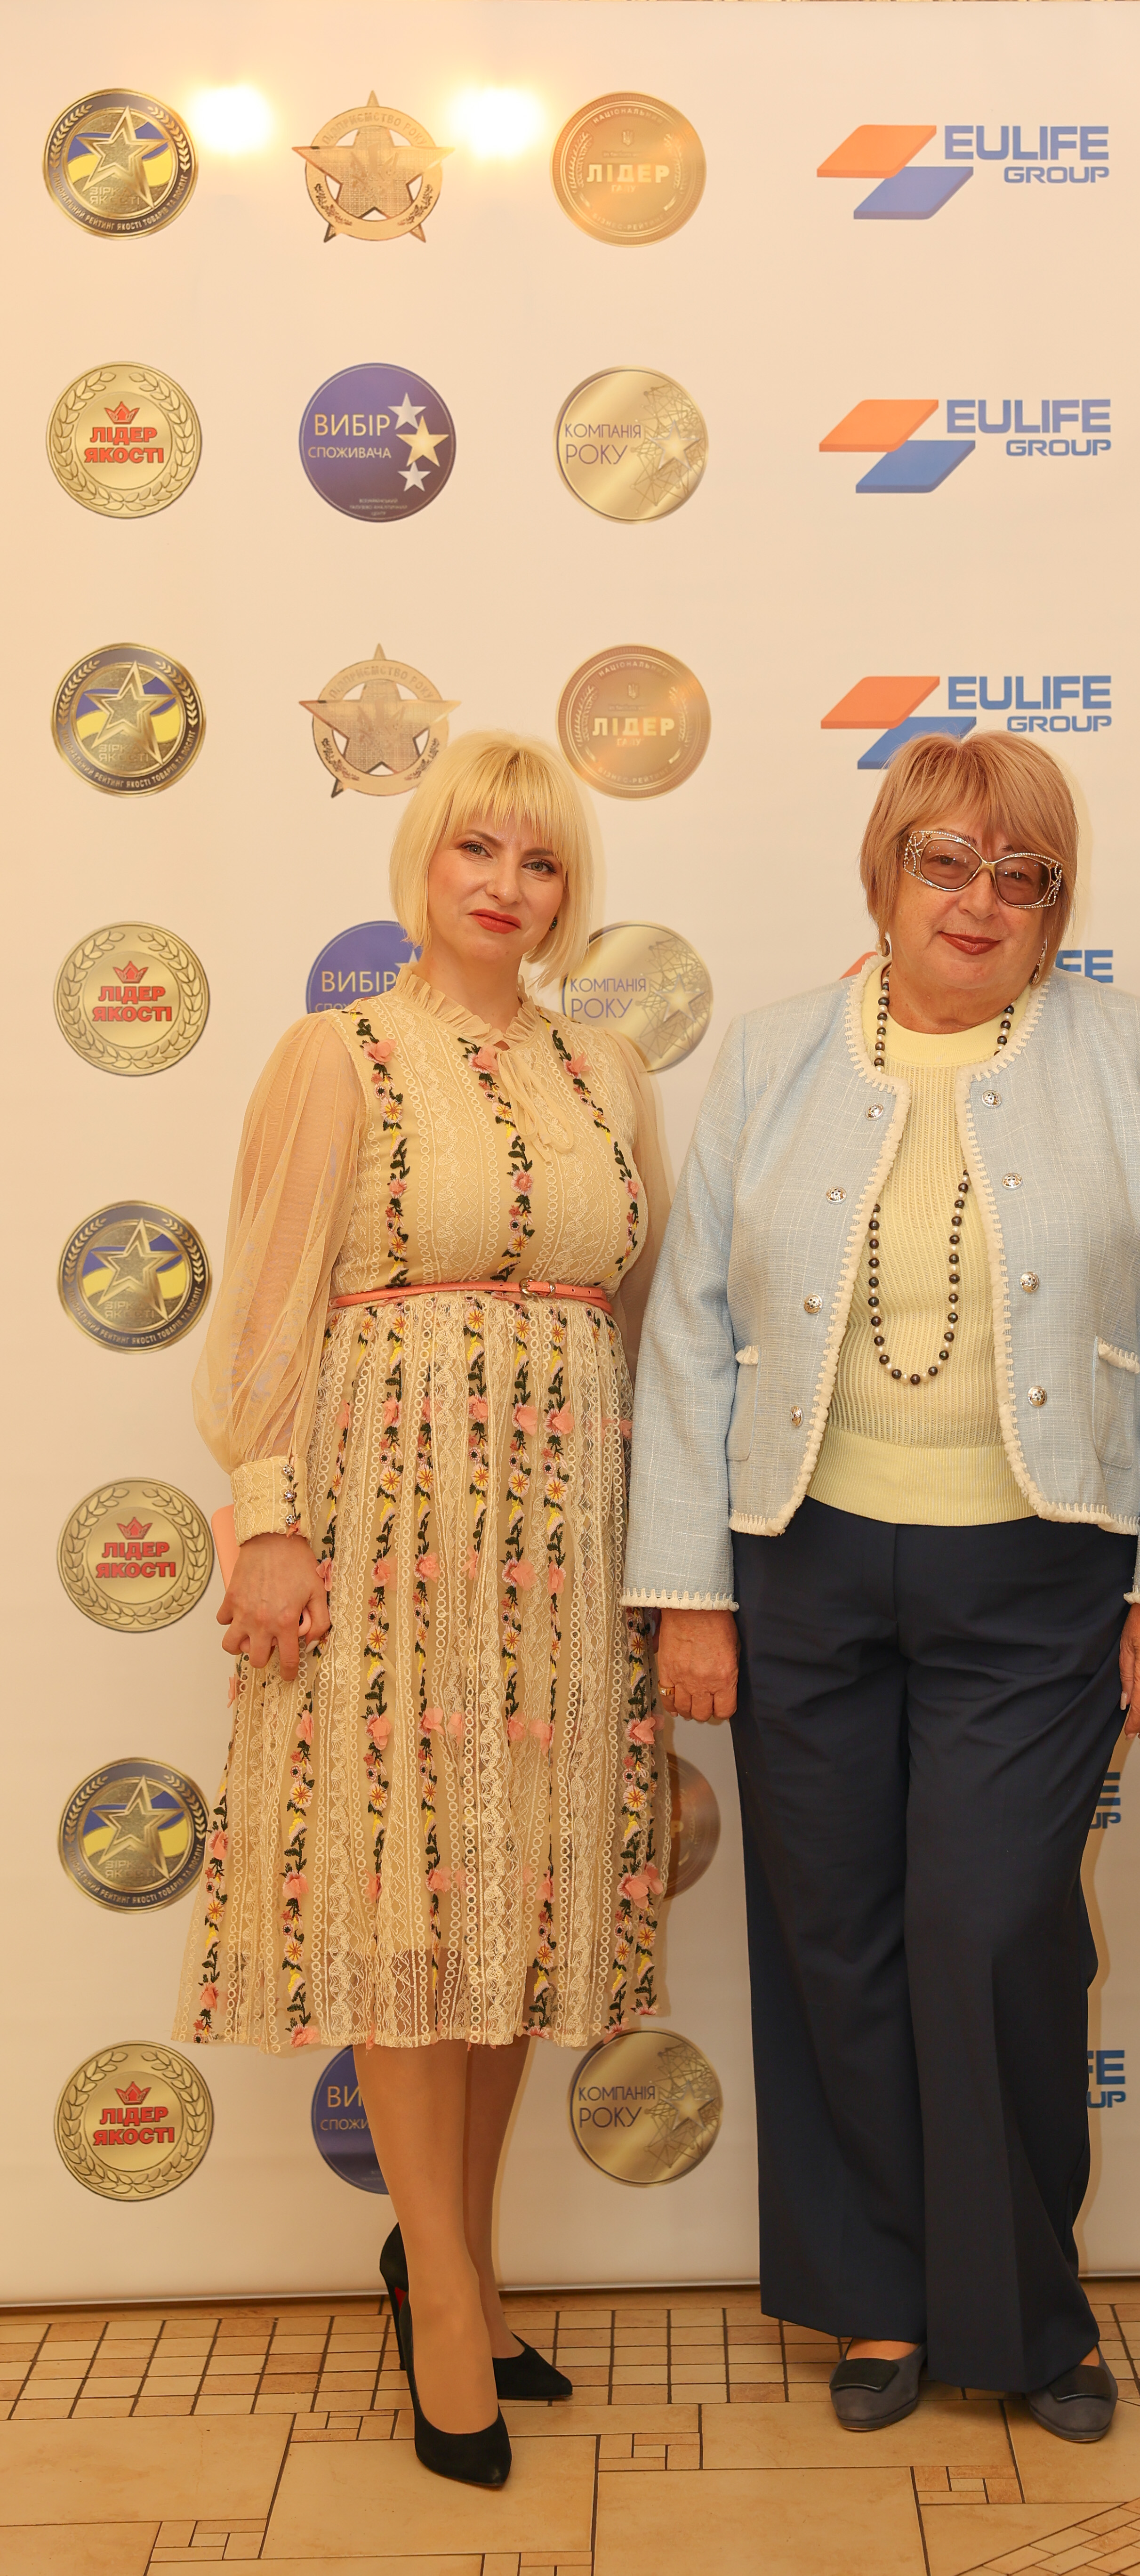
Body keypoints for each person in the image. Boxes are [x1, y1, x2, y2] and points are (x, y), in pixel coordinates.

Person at [623, 732, 1140, 2440]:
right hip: (803, 1561)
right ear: (886, 875)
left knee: (994, 1933)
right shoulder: (771, 1055)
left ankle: (1027, 2315)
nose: (981, 900)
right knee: (832, 1938)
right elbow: (690, 1335)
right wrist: (690, 1591)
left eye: (1022, 873)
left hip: (1044, 1572)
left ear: (1057, 904)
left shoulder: (1133, 1054)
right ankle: (876, 2299)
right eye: (946, 862)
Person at [175, 732, 670, 2488]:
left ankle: (456, 2257)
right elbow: (266, 1305)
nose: (507, 886)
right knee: (408, 1893)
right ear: (424, 864)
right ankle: (447, 2306)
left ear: (569, 890)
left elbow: (641, 1320)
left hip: (565, 1543)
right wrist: (268, 1523)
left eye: (540, 861)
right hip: (385, 1528)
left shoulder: (611, 1069)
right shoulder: (340, 1055)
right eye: (478, 849)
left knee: (517, 1910)